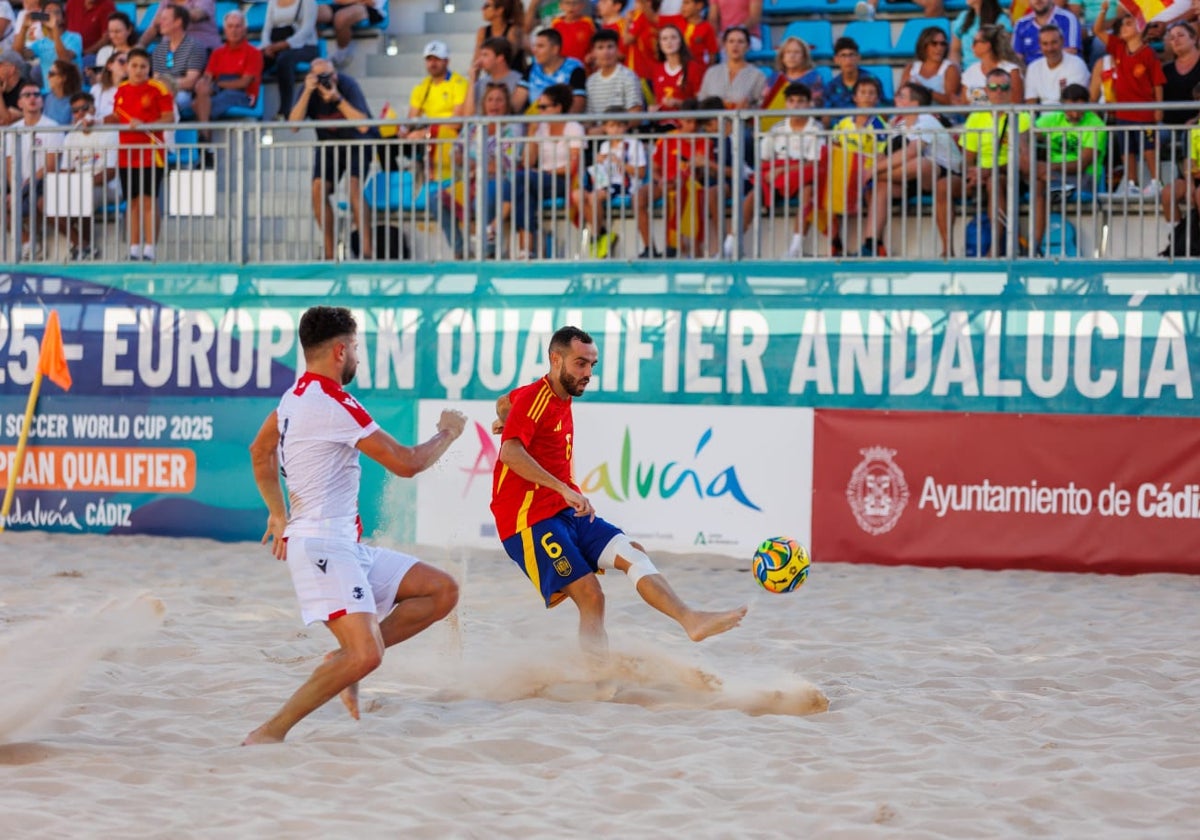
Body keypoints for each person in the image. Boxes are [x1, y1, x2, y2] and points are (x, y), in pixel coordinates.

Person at [244, 306, 464, 746]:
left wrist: (277, 511)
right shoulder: (334, 403)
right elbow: (406, 463)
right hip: (322, 547)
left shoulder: (293, 398)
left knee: (442, 591)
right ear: (341, 351)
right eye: (358, 349)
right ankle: (270, 732)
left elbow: (258, 451)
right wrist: (447, 433)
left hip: (342, 544)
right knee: (367, 655)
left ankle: (343, 659)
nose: (358, 359)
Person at [490, 325, 747, 659]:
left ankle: (690, 620)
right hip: (528, 520)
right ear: (556, 359)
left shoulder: (551, 397)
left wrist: (505, 418)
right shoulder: (535, 398)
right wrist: (561, 487)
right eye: (580, 364)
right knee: (592, 596)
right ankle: (596, 677)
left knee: (633, 552)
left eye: (592, 365)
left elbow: (503, 401)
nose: (587, 373)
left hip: (562, 510)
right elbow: (509, 453)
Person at [862, 82, 963, 258]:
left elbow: (911, 152)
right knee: (881, 186)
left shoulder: (927, 119)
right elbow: (887, 154)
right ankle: (871, 244)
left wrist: (874, 171)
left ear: (915, 104)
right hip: (911, 178)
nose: (896, 99)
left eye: (902, 96)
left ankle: (873, 176)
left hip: (941, 174)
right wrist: (877, 164)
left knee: (920, 163)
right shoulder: (898, 124)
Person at [288, 58, 374, 260]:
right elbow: (293, 125)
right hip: (329, 146)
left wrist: (337, 99)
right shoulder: (308, 89)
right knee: (318, 188)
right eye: (321, 76)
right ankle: (329, 253)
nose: (328, 79)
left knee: (354, 187)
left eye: (330, 74)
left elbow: (363, 126)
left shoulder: (347, 85)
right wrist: (308, 91)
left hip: (358, 142)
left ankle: (368, 253)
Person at [738, 81, 823, 258]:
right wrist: (777, 173)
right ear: (786, 103)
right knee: (753, 195)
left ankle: (795, 247)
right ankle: (731, 244)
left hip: (802, 179)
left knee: (809, 191)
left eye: (800, 101)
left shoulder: (816, 129)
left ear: (808, 104)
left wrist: (783, 170)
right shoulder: (777, 128)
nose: (796, 105)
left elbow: (814, 163)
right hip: (776, 181)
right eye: (791, 101)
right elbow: (763, 160)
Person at [106, 47, 172, 261]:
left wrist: (147, 124)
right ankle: (134, 248)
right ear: (127, 67)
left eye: (143, 66)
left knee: (149, 201)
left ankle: (150, 249)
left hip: (152, 153)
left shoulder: (158, 89)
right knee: (132, 202)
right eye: (134, 65)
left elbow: (169, 118)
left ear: (149, 68)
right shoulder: (121, 89)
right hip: (127, 154)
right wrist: (102, 120)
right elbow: (118, 117)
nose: (138, 70)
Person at [1094, 1, 1165, 198]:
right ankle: (1132, 182)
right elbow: (1097, 29)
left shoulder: (1149, 53)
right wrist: (1103, 10)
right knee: (1127, 150)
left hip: (1145, 111)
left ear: (1140, 29)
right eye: (1123, 24)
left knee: (1149, 148)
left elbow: (1157, 83)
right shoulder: (1118, 47)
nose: (1123, 27)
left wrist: (1159, 108)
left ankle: (1156, 181)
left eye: (1129, 23)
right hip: (1123, 111)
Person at [1023, 83, 1105, 249]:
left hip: (1083, 178)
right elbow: (1026, 132)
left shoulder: (1096, 124)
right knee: (1034, 180)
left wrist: (1050, 167)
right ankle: (1033, 245)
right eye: (1069, 110)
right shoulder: (1054, 118)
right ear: (1062, 105)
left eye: (1080, 110)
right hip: (1052, 175)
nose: (1075, 115)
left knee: (1039, 184)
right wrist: (1027, 153)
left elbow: (1083, 163)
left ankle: (1033, 245)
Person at [960, 68, 1029, 257]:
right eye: (994, 87)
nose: (999, 92)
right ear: (986, 90)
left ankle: (997, 245)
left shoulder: (1021, 116)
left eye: (1004, 87)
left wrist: (988, 172)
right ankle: (945, 251)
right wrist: (971, 174)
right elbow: (966, 158)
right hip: (981, 173)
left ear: (1011, 90)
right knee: (943, 187)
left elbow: (1022, 160)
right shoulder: (976, 117)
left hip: (1009, 174)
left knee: (994, 182)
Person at [46, 89, 119, 258]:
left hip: (108, 187)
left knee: (82, 194)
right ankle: (84, 245)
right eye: (75, 111)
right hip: (80, 185)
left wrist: (79, 184)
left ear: (93, 109)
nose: (80, 113)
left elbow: (110, 173)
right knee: (46, 203)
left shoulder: (110, 132)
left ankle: (82, 247)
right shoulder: (71, 137)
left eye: (84, 108)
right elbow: (65, 170)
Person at [514, 82, 583, 258]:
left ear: (558, 108)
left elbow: (572, 167)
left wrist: (546, 173)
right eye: (538, 107)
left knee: (521, 181)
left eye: (543, 107)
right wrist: (531, 135)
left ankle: (524, 243)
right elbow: (528, 162)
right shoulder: (541, 128)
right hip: (540, 180)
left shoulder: (574, 127)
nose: (539, 112)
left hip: (563, 180)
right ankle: (529, 249)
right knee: (523, 190)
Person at [573, 107, 650, 256]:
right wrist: (599, 163)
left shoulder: (634, 144)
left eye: (620, 125)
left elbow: (641, 172)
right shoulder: (604, 146)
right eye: (612, 126)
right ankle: (601, 234)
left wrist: (620, 163)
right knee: (577, 195)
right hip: (604, 184)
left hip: (625, 186)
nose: (616, 130)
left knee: (594, 197)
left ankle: (596, 238)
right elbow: (602, 174)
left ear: (626, 126)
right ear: (605, 128)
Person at [3, 79, 64, 258]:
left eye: (37, 95)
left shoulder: (52, 127)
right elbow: (9, 164)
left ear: (42, 101)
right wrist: (15, 188)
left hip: (44, 183)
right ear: (19, 102)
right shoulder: (13, 130)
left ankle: (32, 243)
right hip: (22, 184)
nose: (32, 98)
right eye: (27, 95)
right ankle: (27, 240)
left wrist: (24, 187)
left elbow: (50, 165)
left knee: (33, 197)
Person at [401, 40, 468, 185]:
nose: (433, 63)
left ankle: (425, 177)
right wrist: (404, 130)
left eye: (437, 59)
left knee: (422, 136)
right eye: (429, 59)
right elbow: (412, 118)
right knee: (388, 137)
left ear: (446, 61)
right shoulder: (423, 86)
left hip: (450, 134)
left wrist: (425, 132)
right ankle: (394, 182)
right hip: (429, 133)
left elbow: (456, 123)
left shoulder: (459, 83)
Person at [191, 10, 261, 143]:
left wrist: (217, 84)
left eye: (237, 26)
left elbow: (244, 83)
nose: (233, 30)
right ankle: (206, 139)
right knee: (202, 91)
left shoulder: (253, 52)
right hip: (220, 88)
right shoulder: (217, 53)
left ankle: (205, 142)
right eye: (230, 26)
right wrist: (203, 84)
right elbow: (208, 76)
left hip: (243, 94)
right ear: (225, 29)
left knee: (199, 105)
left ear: (244, 29)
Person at [260, 0, 319, 120]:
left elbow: (307, 29)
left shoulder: (308, 2)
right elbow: (267, 28)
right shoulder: (273, 2)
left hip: (305, 45)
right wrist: (267, 46)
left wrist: (285, 44)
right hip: (277, 45)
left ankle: (285, 110)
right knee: (257, 60)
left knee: (284, 60)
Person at [514, 27, 586, 114]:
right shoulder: (532, 68)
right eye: (534, 46)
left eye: (540, 46)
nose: (535, 51)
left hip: (562, 123)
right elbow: (516, 103)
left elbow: (577, 107)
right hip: (534, 123)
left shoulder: (574, 69)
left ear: (554, 49)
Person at [149, 5, 206, 113]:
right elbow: (156, 78)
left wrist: (168, 85)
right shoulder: (160, 49)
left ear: (178, 22)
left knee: (173, 100)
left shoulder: (194, 46)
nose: (160, 22)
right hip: (161, 92)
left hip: (183, 94)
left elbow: (190, 81)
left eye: (164, 19)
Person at [1160, 21, 1200, 170]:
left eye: (1181, 35)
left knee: (1189, 135)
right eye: (1172, 38)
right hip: (1168, 125)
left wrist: (1196, 119)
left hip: (1196, 124)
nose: (1175, 40)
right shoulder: (1166, 70)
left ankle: (1188, 178)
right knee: (1147, 136)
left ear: (1194, 38)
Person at [698, 26, 765, 110]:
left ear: (747, 46)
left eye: (740, 42)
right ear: (725, 46)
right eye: (731, 41)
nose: (735, 45)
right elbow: (702, 101)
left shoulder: (757, 75)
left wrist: (748, 108)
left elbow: (762, 105)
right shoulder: (711, 72)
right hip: (714, 122)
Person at [15, 0, 83, 81]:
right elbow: (17, 55)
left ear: (63, 19)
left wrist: (54, 29)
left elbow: (65, 59)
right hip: (48, 92)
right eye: (48, 12)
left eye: (56, 13)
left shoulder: (74, 37)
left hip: (72, 91)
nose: (52, 16)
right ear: (42, 19)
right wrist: (24, 28)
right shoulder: (40, 43)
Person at [649, 23, 704, 120]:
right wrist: (654, 108)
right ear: (660, 44)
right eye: (664, 39)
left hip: (685, 125)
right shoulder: (657, 69)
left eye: (673, 37)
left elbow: (700, 103)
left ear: (680, 41)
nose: (669, 42)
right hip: (662, 127)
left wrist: (679, 103)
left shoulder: (693, 67)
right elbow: (657, 100)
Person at [1023, 24, 1089, 105]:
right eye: (1045, 44)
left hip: (1068, 115)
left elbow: (1075, 101)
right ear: (1040, 45)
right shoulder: (1033, 67)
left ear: (1062, 41)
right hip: (1042, 116)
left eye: (1054, 42)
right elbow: (1031, 102)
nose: (1050, 48)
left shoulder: (1076, 64)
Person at [585, 28, 643, 118]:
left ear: (617, 50)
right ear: (594, 52)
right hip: (596, 131)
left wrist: (607, 129)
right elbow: (589, 118)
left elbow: (635, 115)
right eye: (600, 47)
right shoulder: (591, 82)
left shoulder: (628, 76)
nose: (606, 52)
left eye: (610, 47)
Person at [899, 26, 961, 109]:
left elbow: (951, 101)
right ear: (924, 45)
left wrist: (925, 90)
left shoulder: (951, 69)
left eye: (943, 44)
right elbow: (900, 95)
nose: (939, 48)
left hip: (940, 117)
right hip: (912, 116)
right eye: (934, 43)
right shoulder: (911, 67)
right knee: (877, 120)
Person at [960, 24, 1023, 105]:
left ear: (987, 45)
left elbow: (1015, 101)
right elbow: (964, 103)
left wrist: (979, 95)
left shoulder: (1011, 70)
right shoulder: (970, 71)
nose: (972, 46)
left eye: (975, 42)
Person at [317, 0, 386, 70]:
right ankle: (317, 54)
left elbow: (370, 2)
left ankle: (340, 57)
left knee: (341, 18)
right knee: (312, 13)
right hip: (344, 6)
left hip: (370, 9)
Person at [1012, 0, 1081, 66]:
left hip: (1062, 69)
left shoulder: (1067, 18)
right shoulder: (1021, 24)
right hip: (1029, 73)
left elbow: (1071, 51)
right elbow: (1016, 57)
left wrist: (1040, 68)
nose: (1038, 0)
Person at [824, 36, 879, 118]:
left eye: (851, 55)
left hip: (870, 126)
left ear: (858, 57)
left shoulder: (872, 80)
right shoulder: (831, 87)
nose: (848, 60)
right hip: (841, 128)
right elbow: (826, 117)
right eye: (843, 55)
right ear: (836, 59)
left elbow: (883, 110)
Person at [138, 0, 219, 54]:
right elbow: (154, 28)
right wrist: (140, 46)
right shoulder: (166, 1)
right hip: (170, 53)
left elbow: (198, 15)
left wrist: (172, 15)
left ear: (178, 22)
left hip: (200, 50)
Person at [467, 36, 522, 115]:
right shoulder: (480, 83)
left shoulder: (520, 81)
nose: (480, 60)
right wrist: (472, 80)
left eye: (485, 55)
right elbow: (468, 116)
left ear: (500, 58)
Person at [950, 0, 1011, 71]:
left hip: (993, 74)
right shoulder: (963, 18)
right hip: (966, 74)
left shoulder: (1001, 20)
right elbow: (955, 50)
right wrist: (956, 70)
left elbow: (1006, 53)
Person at [473, 0, 526, 73]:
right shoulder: (483, 32)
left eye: (487, 6)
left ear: (499, 10)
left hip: (516, 79)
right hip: (494, 79)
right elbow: (476, 62)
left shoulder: (513, 31)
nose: (482, 9)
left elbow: (505, 61)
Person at [66, 0, 116, 69]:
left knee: (87, 61)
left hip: (92, 55)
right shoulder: (72, 3)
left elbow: (106, 37)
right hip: (69, 50)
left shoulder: (107, 5)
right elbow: (62, 25)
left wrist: (85, 53)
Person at [550, 0, 595, 67]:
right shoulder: (556, 24)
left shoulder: (588, 23)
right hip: (562, 68)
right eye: (567, 3)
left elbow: (596, 43)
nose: (571, 7)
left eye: (575, 3)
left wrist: (592, 54)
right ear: (561, 5)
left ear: (582, 5)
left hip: (583, 67)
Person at [42, 57, 81, 123]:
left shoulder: (76, 102)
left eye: (51, 74)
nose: (47, 77)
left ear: (63, 78)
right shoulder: (49, 98)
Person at [0, 48, 33, 124]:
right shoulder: (3, 88)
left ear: (12, 69)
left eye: (0, 65)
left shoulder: (26, 90)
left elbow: (6, 121)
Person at [88, 47, 123, 117]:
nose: (126, 65)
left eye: (129, 62)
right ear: (110, 66)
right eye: (122, 61)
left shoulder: (132, 90)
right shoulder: (96, 89)